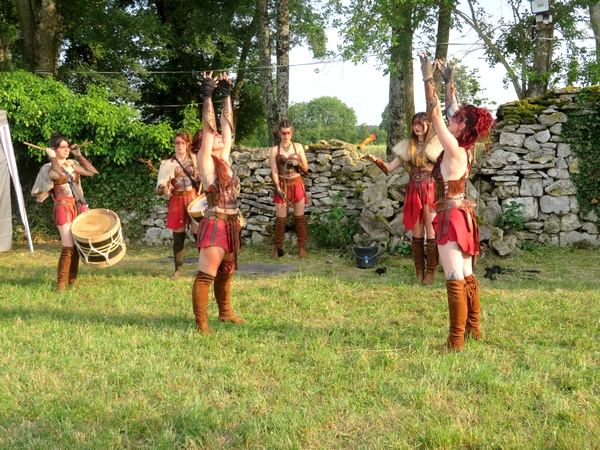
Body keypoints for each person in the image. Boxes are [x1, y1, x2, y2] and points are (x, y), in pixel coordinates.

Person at [418, 51, 495, 351]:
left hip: (451, 217)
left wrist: (427, 78)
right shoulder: (465, 149)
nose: (453, 118)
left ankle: (455, 342)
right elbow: (451, 112)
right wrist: (449, 83)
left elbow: (437, 116)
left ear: (461, 128)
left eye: (458, 119)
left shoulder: (454, 150)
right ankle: (473, 328)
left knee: (453, 278)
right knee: (466, 274)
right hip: (462, 215)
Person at [192, 71, 245, 334]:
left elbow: (227, 127)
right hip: (215, 223)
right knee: (206, 276)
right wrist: (207, 96)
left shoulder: (223, 158)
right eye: (214, 138)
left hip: (232, 224)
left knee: (227, 270)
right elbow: (210, 129)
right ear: (204, 144)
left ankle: (225, 313)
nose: (222, 139)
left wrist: (226, 95)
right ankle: (202, 323)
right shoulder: (206, 162)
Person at [364, 112, 443, 284]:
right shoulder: (409, 145)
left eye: (421, 124)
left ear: (428, 125)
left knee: (431, 232)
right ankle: (419, 271)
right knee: (416, 232)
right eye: (414, 123)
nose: (417, 127)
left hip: (430, 189)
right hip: (414, 189)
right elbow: (390, 167)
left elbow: (446, 168)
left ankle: (430, 272)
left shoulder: (436, 143)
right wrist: (375, 160)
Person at [31, 133, 99, 291]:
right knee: (68, 246)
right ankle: (60, 285)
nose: (67, 150)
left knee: (76, 245)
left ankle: (72, 280)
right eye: (63, 147)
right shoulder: (48, 167)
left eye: (68, 147)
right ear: (54, 149)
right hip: (63, 207)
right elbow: (56, 175)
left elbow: (92, 172)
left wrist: (79, 155)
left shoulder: (72, 164)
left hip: (77, 206)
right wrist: (53, 158)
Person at [156, 130, 200, 280]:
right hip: (177, 200)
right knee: (178, 237)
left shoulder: (196, 159)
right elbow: (159, 189)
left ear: (188, 144)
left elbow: (204, 179)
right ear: (174, 144)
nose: (180, 145)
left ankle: (204, 268)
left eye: (183, 142)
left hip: (194, 199)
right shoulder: (167, 164)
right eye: (177, 143)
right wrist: (165, 189)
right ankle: (178, 271)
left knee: (199, 234)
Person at [269, 119, 309, 258]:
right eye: (283, 133)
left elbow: (306, 169)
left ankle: (302, 247)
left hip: (297, 183)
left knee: (299, 217)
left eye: (288, 133)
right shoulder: (275, 150)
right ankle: (277, 248)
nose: (286, 136)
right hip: (282, 184)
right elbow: (274, 170)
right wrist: (278, 188)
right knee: (281, 219)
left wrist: (298, 163)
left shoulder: (298, 147)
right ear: (279, 133)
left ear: (292, 133)